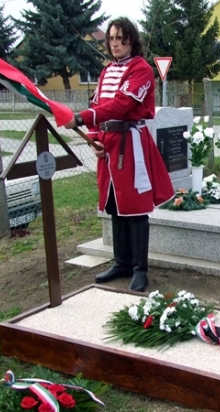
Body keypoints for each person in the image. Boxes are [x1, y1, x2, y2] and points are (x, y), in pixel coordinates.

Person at [64, 17, 174, 292]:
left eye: (120, 38)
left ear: (131, 41)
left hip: (131, 144)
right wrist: (93, 139)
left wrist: (81, 117)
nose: (115, 44)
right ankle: (122, 263)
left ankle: (140, 269)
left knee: (135, 209)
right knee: (115, 205)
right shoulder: (107, 71)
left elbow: (122, 105)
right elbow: (98, 103)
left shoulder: (141, 69)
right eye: (111, 38)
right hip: (109, 144)